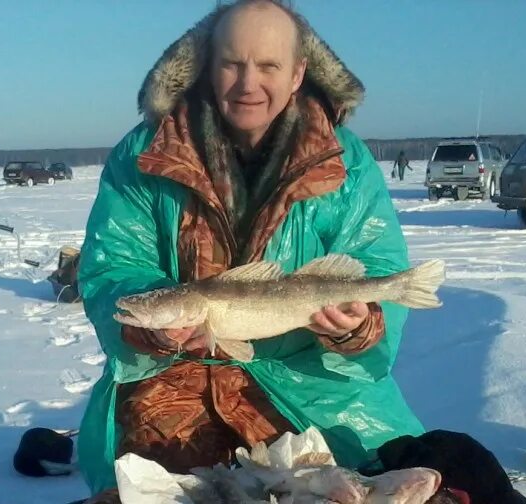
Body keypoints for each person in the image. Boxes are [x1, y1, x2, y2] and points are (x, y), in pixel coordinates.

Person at [76, 1, 423, 501]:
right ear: (207, 65)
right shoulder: (144, 154)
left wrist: (360, 323)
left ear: (298, 72)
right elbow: (113, 265)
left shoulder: (347, 162)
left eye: (268, 66)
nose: (248, 84)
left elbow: (378, 264)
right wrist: (146, 323)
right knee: (152, 487)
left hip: (308, 380)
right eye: (232, 64)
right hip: (173, 375)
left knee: (339, 482)